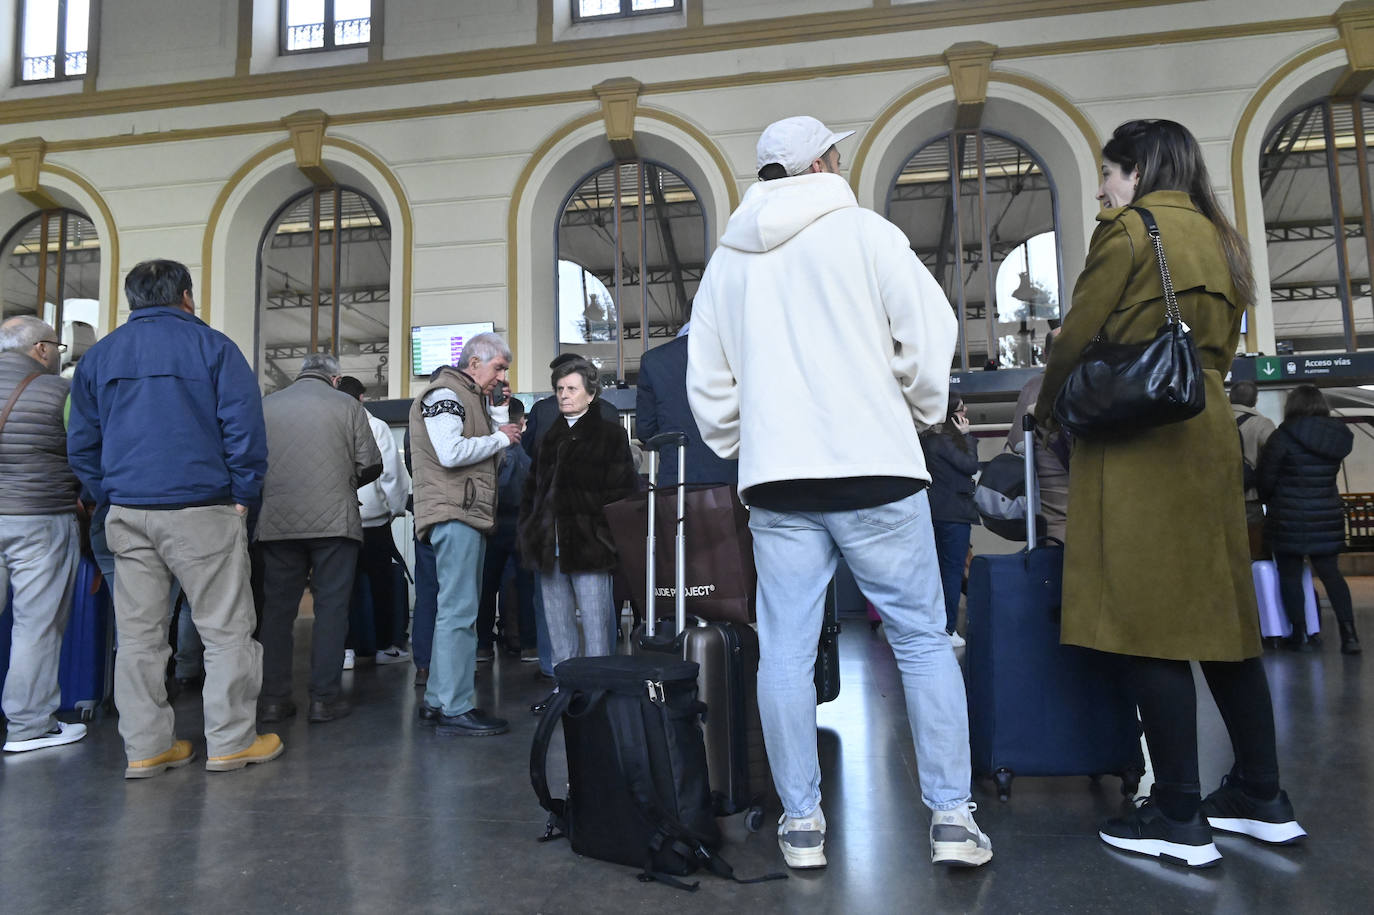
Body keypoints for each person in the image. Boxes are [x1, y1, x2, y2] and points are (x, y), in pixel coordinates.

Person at [687, 115, 992, 870]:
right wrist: (919, 410)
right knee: (922, 640)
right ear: (825, 161)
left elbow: (707, 379)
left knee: (783, 654)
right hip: (877, 468)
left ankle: (801, 825)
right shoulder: (867, 232)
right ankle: (952, 817)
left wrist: (742, 439)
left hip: (780, 481)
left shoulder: (729, 259)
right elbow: (932, 329)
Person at [1034, 120, 1307, 867]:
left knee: (1146, 624)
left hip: (1138, 441)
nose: (1100, 189)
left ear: (1139, 170)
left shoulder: (1129, 231)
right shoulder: (1224, 238)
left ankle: (1179, 813)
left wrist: (1045, 411)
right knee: (1222, 624)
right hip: (1208, 434)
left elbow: (1075, 339)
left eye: (1108, 172)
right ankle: (1263, 794)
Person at [67, 259, 282, 777]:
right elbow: (245, 432)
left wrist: (111, 493)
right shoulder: (215, 348)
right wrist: (243, 496)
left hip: (128, 513)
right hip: (203, 509)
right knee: (226, 630)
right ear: (186, 295)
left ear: (132, 300)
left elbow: (81, 443)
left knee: (139, 638)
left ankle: (146, 749)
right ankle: (231, 742)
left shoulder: (98, 358)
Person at [256, 354, 382, 725]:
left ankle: (274, 700)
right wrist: (342, 486)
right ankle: (324, 699)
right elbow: (370, 462)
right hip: (334, 525)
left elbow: (250, 463)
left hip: (278, 522)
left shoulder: (267, 406)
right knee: (331, 609)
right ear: (335, 378)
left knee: (277, 612)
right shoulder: (347, 405)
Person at [409, 332, 520, 737]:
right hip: (456, 514)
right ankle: (455, 707)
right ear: (474, 362)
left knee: (451, 611)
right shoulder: (447, 394)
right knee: (459, 613)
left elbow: (489, 451)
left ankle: (438, 700)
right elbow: (451, 452)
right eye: (498, 367)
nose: (501, 375)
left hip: (460, 513)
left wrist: (499, 414)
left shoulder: (465, 397)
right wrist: (498, 436)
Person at [519, 358, 636, 714]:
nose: (564, 396)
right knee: (557, 622)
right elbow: (531, 489)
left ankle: (602, 691)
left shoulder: (610, 435)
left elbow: (623, 491)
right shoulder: (548, 437)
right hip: (548, 541)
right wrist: (530, 528)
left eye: (571, 389)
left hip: (589, 543)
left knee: (598, 620)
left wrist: (603, 534)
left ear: (591, 393)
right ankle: (565, 689)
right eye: (559, 389)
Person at [0, 316, 85, 754]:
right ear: (40, 349)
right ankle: (29, 726)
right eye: (57, 347)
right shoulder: (60, 392)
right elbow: (85, 451)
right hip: (40, 519)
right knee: (36, 627)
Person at [1257, 384, 1359, 654]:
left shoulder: (1282, 436)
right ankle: (1350, 636)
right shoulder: (1338, 437)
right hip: (1325, 514)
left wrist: (1272, 497)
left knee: (1290, 576)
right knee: (1332, 575)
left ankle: (1299, 634)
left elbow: (1266, 480)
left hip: (1288, 516)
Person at [337, 376, 411, 667]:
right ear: (362, 397)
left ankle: (346, 651)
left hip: (339, 519)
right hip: (373, 519)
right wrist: (395, 509)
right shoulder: (376, 426)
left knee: (344, 587)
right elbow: (390, 474)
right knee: (382, 585)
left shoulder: (331, 424)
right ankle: (384, 647)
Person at [636, 328, 738, 486]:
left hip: (678, 475)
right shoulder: (735, 353)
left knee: (678, 510)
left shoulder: (653, 360)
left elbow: (645, 430)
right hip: (731, 474)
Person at [477, 397, 536, 663]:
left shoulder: (494, 452)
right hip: (524, 524)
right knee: (525, 586)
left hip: (492, 524)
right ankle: (528, 644)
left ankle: (483, 645)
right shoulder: (527, 454)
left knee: (486, 587)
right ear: (522, 422)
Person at [919, 394, 980, 646]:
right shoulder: (946, 442)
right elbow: (969, 465)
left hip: (931, 513)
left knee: (932, 573)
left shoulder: (926, 441)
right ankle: (947, 628)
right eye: (961, 409)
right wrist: (967, 437)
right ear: (952, 416)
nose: (966, 411)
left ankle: (932, 627)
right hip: (954, 514)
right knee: (952, 572)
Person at [1005, 326, 1069, 542]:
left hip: (1049, 493)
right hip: (1091, 483)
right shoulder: (1089, 381)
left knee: (1056, 542)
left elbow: (1017, 442)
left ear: (1045, 353)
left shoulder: (1034, 386)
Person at [1231, 380, 1276, 555]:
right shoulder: (1262, 424)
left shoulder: (1214, 421)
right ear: (1255, 400)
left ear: (1229, 398)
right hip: (1250, 496)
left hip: (1218, 496)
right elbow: (1274, 455)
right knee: (1254, 548)